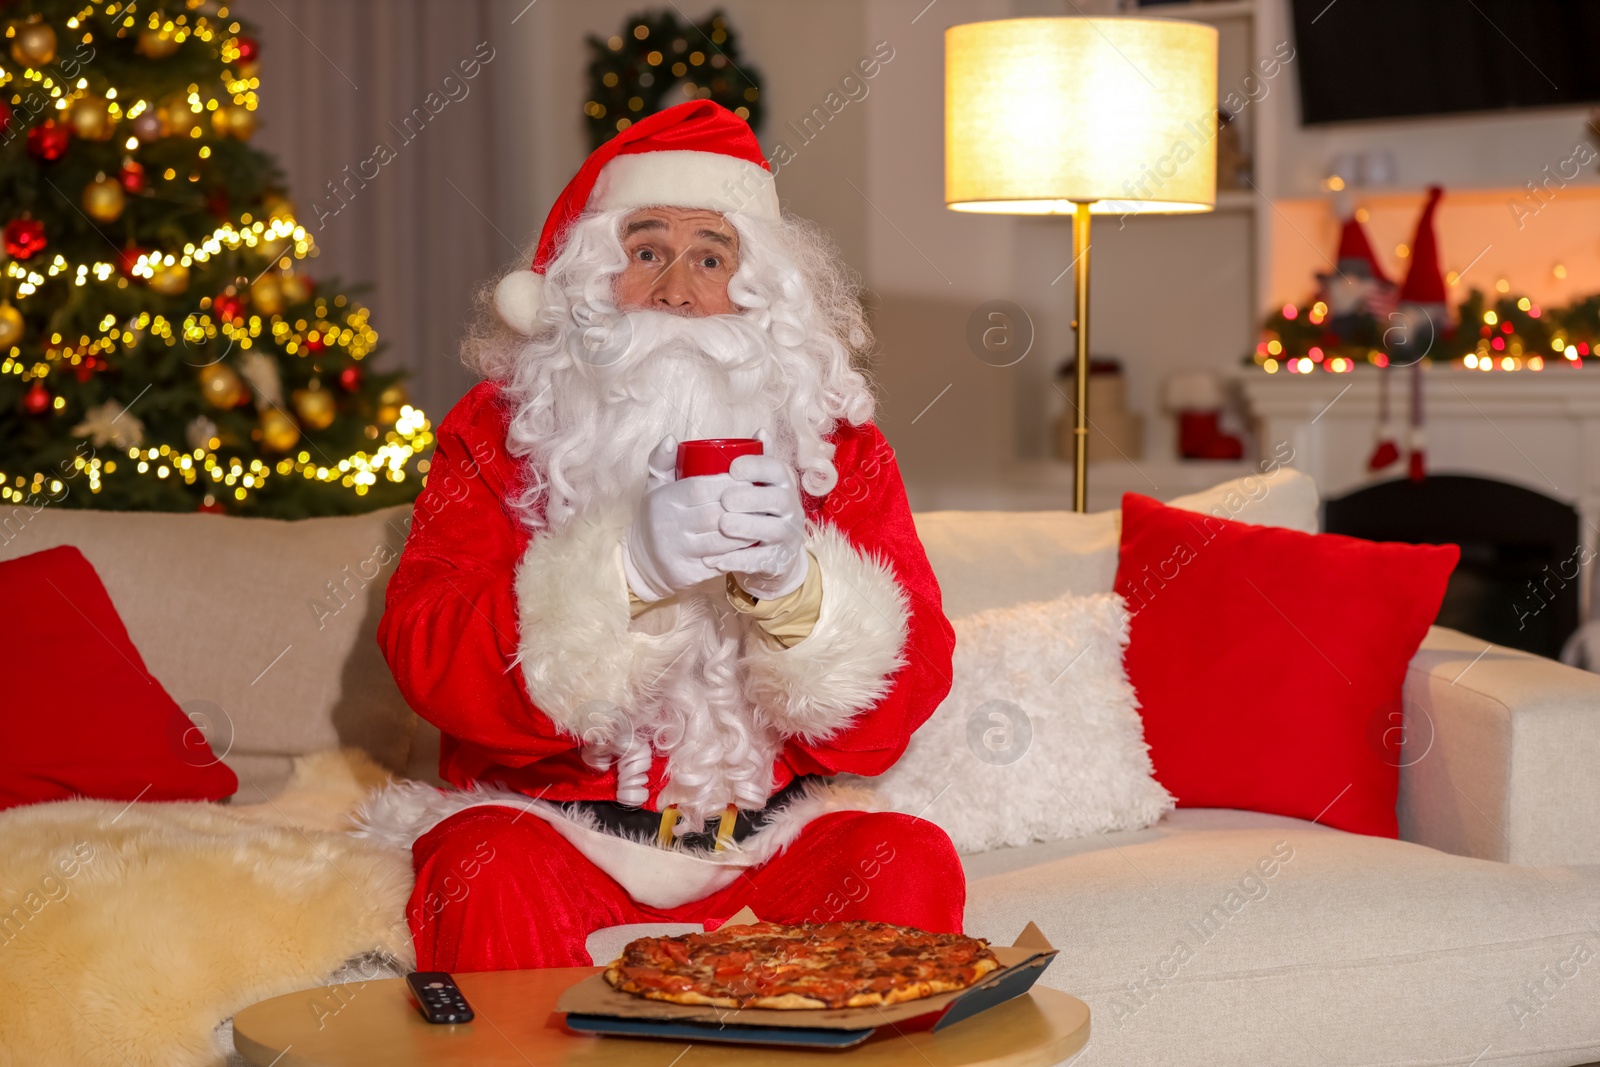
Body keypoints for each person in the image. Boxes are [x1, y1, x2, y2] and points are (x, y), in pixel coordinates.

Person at [376, 100, 960, 971]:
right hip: (560, 835)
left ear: (763, 287)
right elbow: (428, 657)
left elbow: (895, 714)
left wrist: (800, 600)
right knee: (482, 869)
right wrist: (624, 573)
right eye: (646, 252)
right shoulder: (498, 431)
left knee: (904, 863)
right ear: (587, 278)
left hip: (767, 848)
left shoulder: (835, 441)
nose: (678, 293)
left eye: (711, 258)